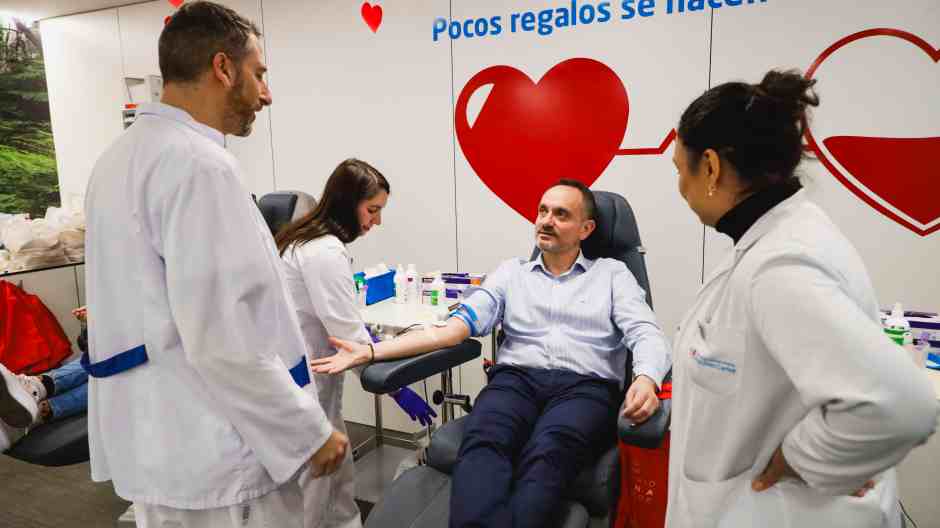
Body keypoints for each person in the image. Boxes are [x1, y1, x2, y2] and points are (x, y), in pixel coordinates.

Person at [83, 3, 347, 527]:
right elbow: (224, 334)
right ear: (223, 69)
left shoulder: (117, 161)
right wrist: (308, 432)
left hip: (159, 446)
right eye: (259, 74)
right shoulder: (200, 166)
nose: (266, 94)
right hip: (222, 455)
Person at [665, 69, 939, 528]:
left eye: (681, 169)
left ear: (710, 167)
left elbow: (899, 404)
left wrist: (801, 458)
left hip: (774, 511)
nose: (680, 188)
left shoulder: (780, 264)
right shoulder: (775, 239)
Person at [313, 179, 672, 528]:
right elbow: (451, 331)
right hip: (516, 381)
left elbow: (645, 333)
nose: (546, 220)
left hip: (585, 388)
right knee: (483, 442)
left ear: (586, 228)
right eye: (542, 210)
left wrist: (646, 378)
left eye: (561, 214)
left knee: (549, 452)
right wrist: (371, 352)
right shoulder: (512, 273)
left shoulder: (612, 275)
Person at [274, 158, 436, 528]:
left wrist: (371, 341)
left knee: (339, 478)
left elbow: (339, 320)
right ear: (348, 203)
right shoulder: (323, 252)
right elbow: (347, 334)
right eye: (372, 210)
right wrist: (398, 387)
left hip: (305, 374)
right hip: (308, 383)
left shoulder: (302, 239)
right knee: (315, 491)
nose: (376, 221)